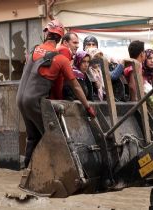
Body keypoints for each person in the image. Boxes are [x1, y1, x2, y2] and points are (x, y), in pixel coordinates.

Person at [16, 20, 96, 168]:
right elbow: (76, 87)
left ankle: (27, 172)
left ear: (46, 33)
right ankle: (57, 174)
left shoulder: (34, 50)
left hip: (20, 99)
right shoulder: (61, 59)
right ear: (61, 39)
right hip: (34, 101)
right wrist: (88, 106)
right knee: (54, 138)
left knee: (33, 137)